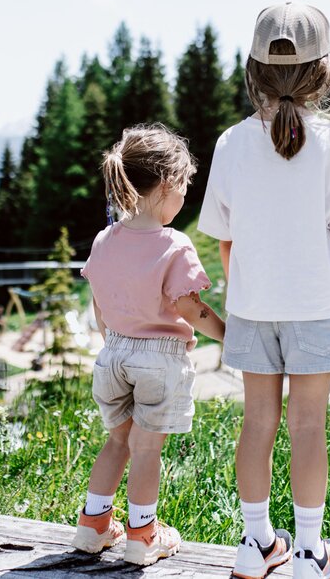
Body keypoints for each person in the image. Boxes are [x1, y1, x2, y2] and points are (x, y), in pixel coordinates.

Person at [198, 3, 330, 579]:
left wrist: (245, 293)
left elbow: (226, 240)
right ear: (325, 72)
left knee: (256, 422)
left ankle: (255, 544)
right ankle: (309, 552)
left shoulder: (231, 143)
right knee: (309, 426)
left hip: (252, 309)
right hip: (317, 308)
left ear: (253, 71)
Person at [71, 124, 226, 566]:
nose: (183, 201)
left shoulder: (105, 239)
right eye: (183, 190)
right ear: (166, 186)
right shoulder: (174, 245)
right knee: (146, 449)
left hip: (113, 354)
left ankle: (93, 526)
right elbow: (190, 308)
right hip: (158, 359)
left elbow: (99, 302)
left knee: (117, 441)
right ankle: (143, 535)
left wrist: (115, 341)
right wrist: (230, 335)